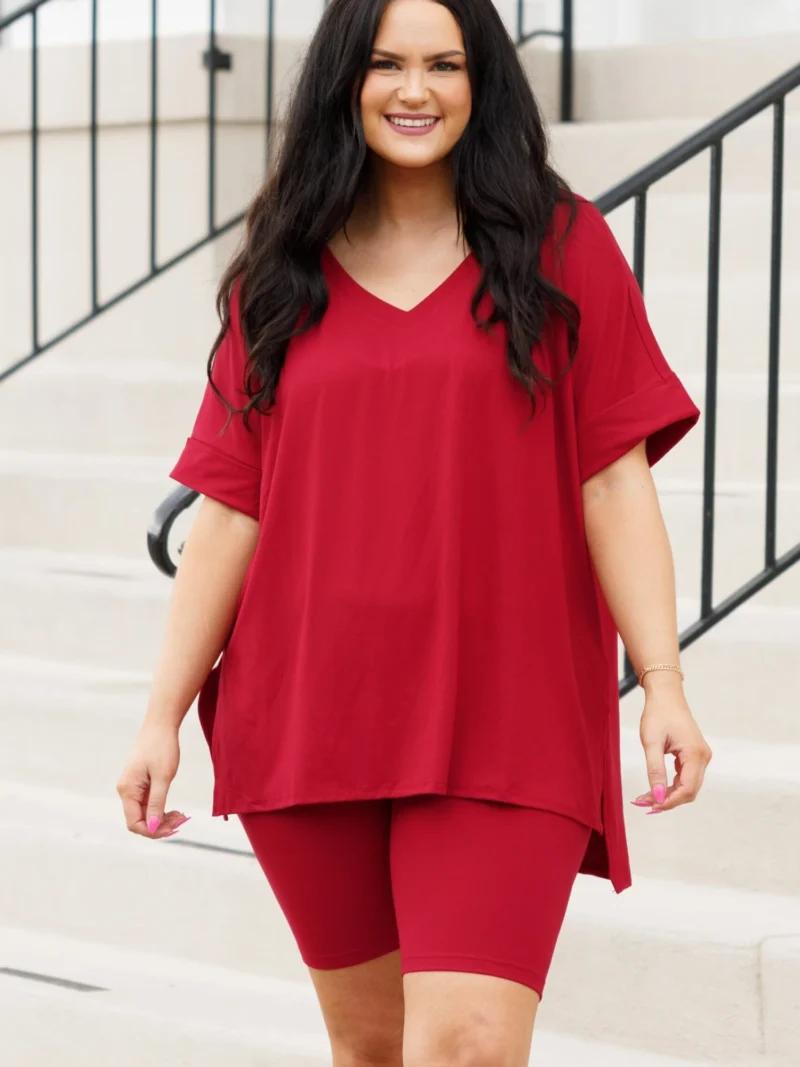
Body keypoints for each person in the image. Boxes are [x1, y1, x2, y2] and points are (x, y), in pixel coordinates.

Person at [116, 0, 713, 1062]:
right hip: (311, 705)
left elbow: (612, 484)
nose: (414, 90)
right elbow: (230, 507)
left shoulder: (561, 247)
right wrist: (161, 714)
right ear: (344, 81)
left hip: (509, 709)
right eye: (387, 64)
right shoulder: (281, 270)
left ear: (482, 83)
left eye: (444, 64)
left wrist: (660, 679)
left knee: (468, 1043)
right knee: (372, 1046)